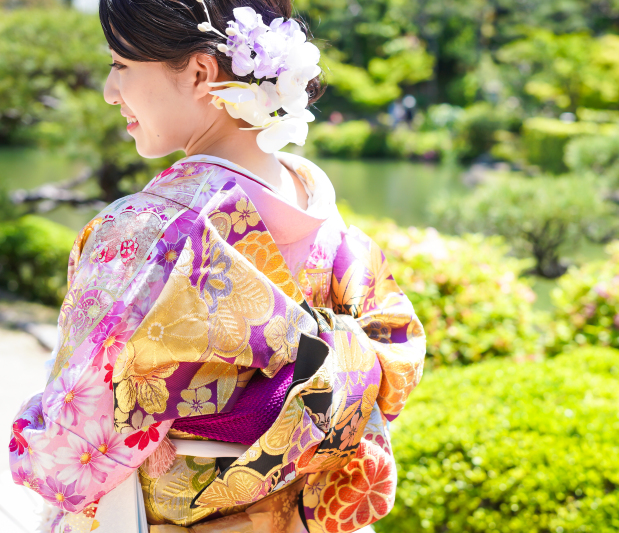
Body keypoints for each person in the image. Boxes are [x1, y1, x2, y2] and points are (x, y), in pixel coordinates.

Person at [7, 0, 426, 531]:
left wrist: (29, 436)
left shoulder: (149, 233)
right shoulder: (325, 215)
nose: (110, 91)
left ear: (202, 72)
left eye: (120, 66)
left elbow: (68, 451)